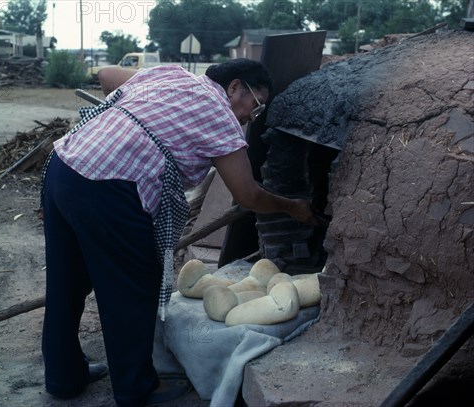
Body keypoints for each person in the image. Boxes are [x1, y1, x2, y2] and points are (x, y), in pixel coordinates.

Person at [41, 58, 317, 406]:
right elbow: (248, 195)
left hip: (64, 166)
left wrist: (138, 116)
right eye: (256, 105)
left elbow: (106, 74)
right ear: (234, 87)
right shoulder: (219, 115)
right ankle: (137, 389)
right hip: (107, 186)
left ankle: (64, 377)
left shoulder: (170, 75)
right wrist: (293, 206)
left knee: (68, 281)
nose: (252, 116)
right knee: (133, 287)